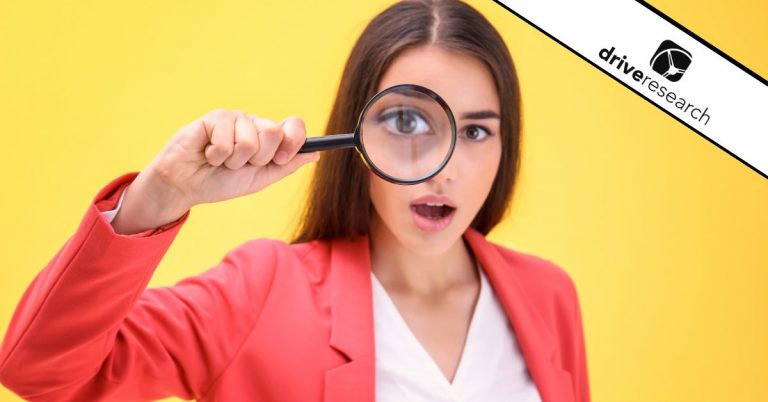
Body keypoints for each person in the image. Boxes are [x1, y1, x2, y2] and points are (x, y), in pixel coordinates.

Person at [0, 0, 590, 401]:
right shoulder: (262, 290)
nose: (448, 169)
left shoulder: (548, 295)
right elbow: (40, 371)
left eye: (479, 130)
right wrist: (158, 196)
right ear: (356, 131)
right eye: (409, 119)